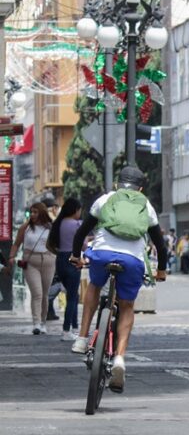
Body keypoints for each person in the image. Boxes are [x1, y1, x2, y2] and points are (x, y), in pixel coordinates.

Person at [70, 165, 168, 393]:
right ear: (140, 187)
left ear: (117, 184)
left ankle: (82, 338)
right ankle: (120, 358)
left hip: (102, 254)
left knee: (94, 285)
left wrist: (76, 256)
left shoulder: (105, 199)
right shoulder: (146, 205)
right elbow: (160, 245)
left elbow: (81, 232)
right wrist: (161, 270)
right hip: (132, 260)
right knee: (127, 306)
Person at [9, 202, 56, 335]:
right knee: (37, 293)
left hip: (48, 260)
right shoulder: (26, 227)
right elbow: (16, 243)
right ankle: (36, 323)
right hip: (30, 262)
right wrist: (12, 257)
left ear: (42, 213)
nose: (33, 215)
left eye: (35, 212)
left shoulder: (50, 227)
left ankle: (43, 323)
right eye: (31, 212)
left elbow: (57, 244)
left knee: (45, 295)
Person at [47, 198, 84, 340]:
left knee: (72, 295)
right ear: (75, 210)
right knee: (72, 296)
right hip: (73, 259)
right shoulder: (77, 224)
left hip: (60, 259)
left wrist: (60, 254)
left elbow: (50, 244)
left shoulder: (58, 223)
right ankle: (67, 330)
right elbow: (84, 245)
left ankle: (74, 327)